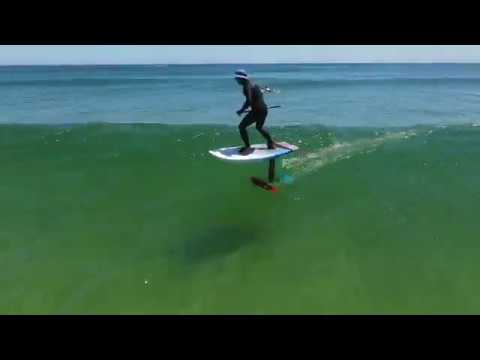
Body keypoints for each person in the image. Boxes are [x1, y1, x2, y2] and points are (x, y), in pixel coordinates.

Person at [234, 69, 275, 154]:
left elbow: (249, 100)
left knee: (242, 127)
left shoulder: (246, 87)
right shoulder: (254, 84)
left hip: (257, 111)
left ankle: (247, 146)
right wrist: (252, 107)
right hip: (263, 109)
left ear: (241, 78)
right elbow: (258, 95)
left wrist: (241, 110)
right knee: (259, 127)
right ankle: (270, 142)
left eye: (237, 79)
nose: (236, 80)